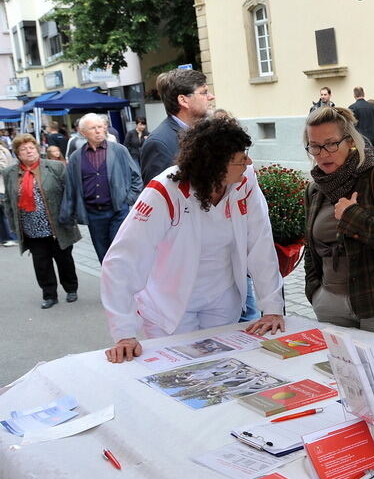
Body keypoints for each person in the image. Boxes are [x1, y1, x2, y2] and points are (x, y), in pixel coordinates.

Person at [101, 118, 285, 363]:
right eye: (240, 158)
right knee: (178, 374)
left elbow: (260, 243)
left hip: (222, 300)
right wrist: (124, 332)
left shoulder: (245, 181)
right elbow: (123, 259)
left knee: (222, 369)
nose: (248, 162)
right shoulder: (164, 191)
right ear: (215, 164)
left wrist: (272, 308)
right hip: (169, 306)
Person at [303, 106, 374, 338]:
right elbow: (311, 249)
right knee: (340, 373)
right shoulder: (314, 190)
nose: (322, 153)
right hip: (330, 304)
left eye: (331, 144)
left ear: (350, 141)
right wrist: (314, 291)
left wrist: (352, 217)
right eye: (315, 146)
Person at [1, 134, 81, 308]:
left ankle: (71, 288)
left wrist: (71, 216)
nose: (28, 151)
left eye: (31, 148)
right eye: (23, 149)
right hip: (31, 228)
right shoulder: (10, 173)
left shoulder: (55, 167)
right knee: (41, 263)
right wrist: (13, 224)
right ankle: (49, 295)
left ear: (37, 150)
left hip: (57, 224)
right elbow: (8, 200)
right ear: (17, 154)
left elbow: (70, 193)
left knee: (64, 259)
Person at [60, 113, 143, 263]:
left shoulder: (119, 150)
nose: (98, 131)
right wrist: (69, 214)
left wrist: (128, 199)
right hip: (93, 214)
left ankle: (125, 285)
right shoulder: (76, 157)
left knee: (119, 252)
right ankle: (110, 285)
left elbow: (136, 177)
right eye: (93, 128)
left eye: (100, 127)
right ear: (83, 132)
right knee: (103, 255)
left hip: (117, 211)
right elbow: (71, 188)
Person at [141, 69, 215, 184]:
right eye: (204, 92)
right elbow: (156, 197)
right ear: (183, 100)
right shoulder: (159, 143)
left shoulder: (205, 132)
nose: (211, 97)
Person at [0, 143, 19, 246]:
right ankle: (4, 238)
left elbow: (3, 167)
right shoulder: (3, 150)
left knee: (5, 213)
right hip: (3, 186)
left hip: (2, 186)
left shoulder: (1, 151)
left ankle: (11, 237)